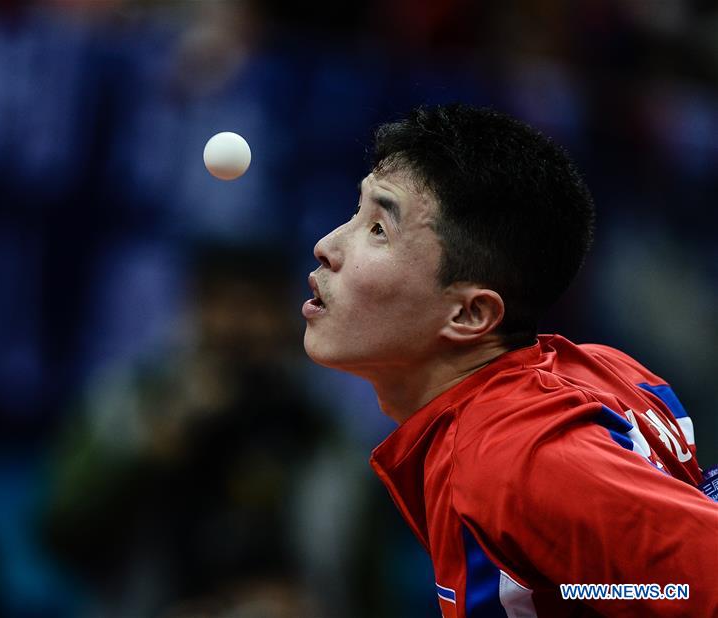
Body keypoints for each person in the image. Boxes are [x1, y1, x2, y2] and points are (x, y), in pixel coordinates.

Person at [301, 103, 718, 617]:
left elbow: (689, 581)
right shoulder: (599, 368)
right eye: (355, 213)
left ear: (471, 314)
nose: (326, 246)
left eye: (379, 229)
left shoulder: (515, 457)